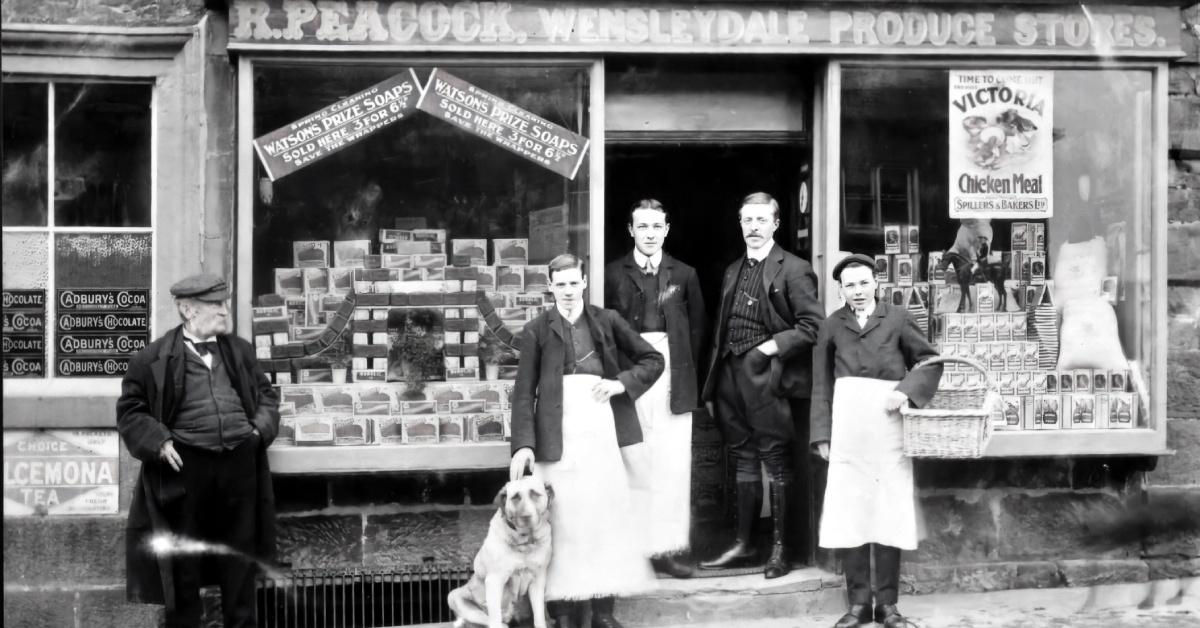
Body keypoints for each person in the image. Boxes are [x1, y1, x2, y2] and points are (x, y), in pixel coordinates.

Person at [117, 273, 280, 628]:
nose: (225, 311)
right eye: (215, 305)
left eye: (225, 303)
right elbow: (131, 411)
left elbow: (267, 395)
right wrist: (158, 441)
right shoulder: (153, 358)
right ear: (188, 310)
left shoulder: (239, 350)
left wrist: (258, 431)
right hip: (185, 469)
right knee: (183, 567)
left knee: (240, 561)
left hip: (239, 464)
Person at [509, 254, 664, 628]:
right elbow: (523, 391)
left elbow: (652, 358)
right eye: (559, 284)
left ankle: (603, 612)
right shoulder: (537, 330)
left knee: (603, 517)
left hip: (601, 433)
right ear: (549, 286)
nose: (566, 290)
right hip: (555, 438)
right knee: (561, 522)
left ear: (584, 283)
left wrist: (619, 383)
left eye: (573, 283)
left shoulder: (607, 320)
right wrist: (524, 445)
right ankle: (562, 613)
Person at [810, 254, 943, 628]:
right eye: (850, 285)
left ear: (876, 284)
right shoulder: (831, 325)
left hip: (888, 429)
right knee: (851, 514)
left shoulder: (898, 318)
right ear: (841, 290)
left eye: (863, 282)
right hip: (848, 431)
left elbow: (931, 361)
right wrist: (822, 434)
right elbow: (820, 382)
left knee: (888, 513)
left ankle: (888, 606)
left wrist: (906, 392)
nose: (858, 290)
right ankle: (858, 605)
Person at [699, 192, 824, 579]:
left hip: (767, 376)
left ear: (775, 224)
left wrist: (768, 349)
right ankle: (743, 544)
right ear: (740, 224)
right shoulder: (733, 269)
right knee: (742, 457)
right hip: (730, 376)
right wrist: (714, 380)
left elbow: (812, 326)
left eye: (760, 220)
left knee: (775, 458)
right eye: (746, 220)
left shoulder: (795, 268)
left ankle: (781, 549)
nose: (753, 227)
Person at [604, 199, 707, 579]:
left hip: (672, 373)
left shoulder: (685, 273)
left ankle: (668, 549)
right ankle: (635, 548)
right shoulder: (612, 273)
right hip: (631, 371)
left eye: (656, 227)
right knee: (633, 459)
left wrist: (682, 374)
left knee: (673, 465)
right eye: (641, 227)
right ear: (631, 230)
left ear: (666, 229)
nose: (649, 234)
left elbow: (697, 332)